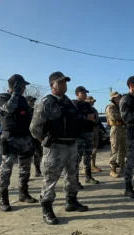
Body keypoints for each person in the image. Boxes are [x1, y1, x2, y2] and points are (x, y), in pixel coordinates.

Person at [30, 71, 91, 225]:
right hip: (55, 147)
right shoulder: (46, 102)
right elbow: (34, 128)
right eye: (61, 82)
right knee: (51, 179)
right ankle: (47, 208)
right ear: (52, 85)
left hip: (71, 145)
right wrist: (44, 140)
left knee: (72, 175)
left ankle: (71, 201)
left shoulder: (69, 102)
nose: (64, 84)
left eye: (65, 82)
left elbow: (75, 119)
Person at [0, 74, 37, 212]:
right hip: (10, 139)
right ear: (16, 86)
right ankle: (3, 199)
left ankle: (23, 193)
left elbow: (30, 118)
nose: (24, 88)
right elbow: (9, 108)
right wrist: (15, 93)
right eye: (23, 86)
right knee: (6, 169)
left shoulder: (23, 100)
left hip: (25, 138)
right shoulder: (2, 97)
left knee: (25, 169)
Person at [73, 86, 100, 185]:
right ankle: (74, 180)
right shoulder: (74, 104)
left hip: (89, 132)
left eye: (86, 93)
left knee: (88, 155)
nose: (85, 94)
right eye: (83, 93)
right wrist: (85, 117)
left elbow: (93, 115)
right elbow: (73, 117)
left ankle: (88, 176)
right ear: (77, 94)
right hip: (79, 133)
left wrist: (94, 118)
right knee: (77, 157)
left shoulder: (87, 105)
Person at [105, 91, 126, 178]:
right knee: (114, 150)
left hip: (122, 129)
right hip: (115, 129)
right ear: (113, 98)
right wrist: (125, 115)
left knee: (123, 150)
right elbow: (115, 117)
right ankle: (112, 170)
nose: (119, 98)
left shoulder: (120, 107)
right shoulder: (111, 107)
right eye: (118, 97)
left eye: (120, 96)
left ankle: (122, 168)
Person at [26, 96, 42, 177]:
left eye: (33, 101)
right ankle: (26, 173)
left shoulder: (34, 110)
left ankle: (37, 169)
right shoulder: (24, 111)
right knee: (27, 156)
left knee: (38, 154)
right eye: (30, 101)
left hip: (35, 136)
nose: (32, 102)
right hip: (27, 136)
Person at [85, 96, 102, 172]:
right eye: (91, 101)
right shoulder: (85, 109)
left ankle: (93, 164)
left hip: (95, 129)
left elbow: (97, 120)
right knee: (88, 149)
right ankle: (86, 167)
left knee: (95, 148)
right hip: (88, 130)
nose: (92, 103)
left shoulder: (94, 109)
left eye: (93, 101)